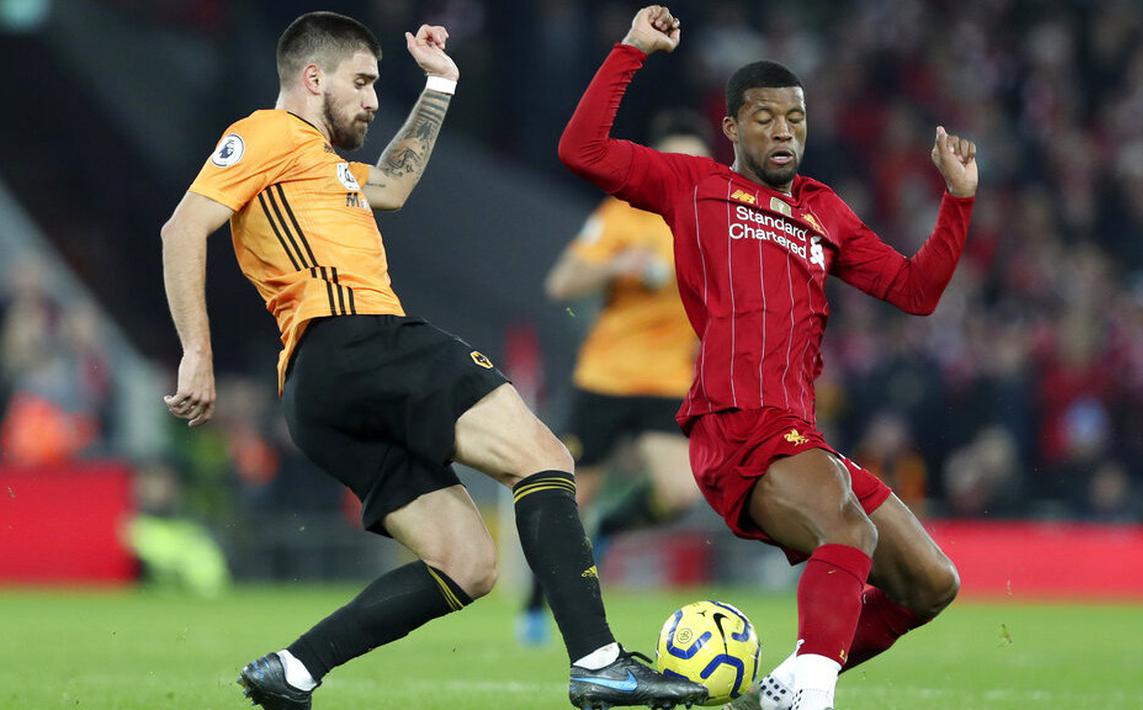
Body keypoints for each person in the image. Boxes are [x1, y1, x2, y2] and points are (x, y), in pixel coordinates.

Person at [159, 11, 705, 710]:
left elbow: (391, 186)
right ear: (312, 77)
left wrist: (439, 87)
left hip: (317, 392)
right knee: (543, 458)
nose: (371, 98)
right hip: (358, 337)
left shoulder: (324, 169)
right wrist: (196, 357)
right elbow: (183, 227)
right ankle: (599, 663)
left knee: (466, 563)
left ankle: (294, 669)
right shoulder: (266, 133)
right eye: (361, 82)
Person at [558, 6, 975, 709]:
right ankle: (807, 696)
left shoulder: (824, 210)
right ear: (730, 127)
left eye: (795, 119)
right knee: (848, 529)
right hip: (736, 420)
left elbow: (913, 291)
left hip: (797, 430)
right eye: (764, 118)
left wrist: (957, 204)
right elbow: (582, 149)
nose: (782, 132)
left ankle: (781, 689)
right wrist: (632, 49)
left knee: (931, 584)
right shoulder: (692, 185)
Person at [521, 111, 711, 645]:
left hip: (669, 381)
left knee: (678, 492)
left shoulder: (715, 227)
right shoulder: (625, 215)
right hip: (606, 379)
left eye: (692, 162)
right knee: (571, 500)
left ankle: (612, 530)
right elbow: (560, 283)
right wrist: (619, 264)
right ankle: (536, 607)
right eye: (673, 160)